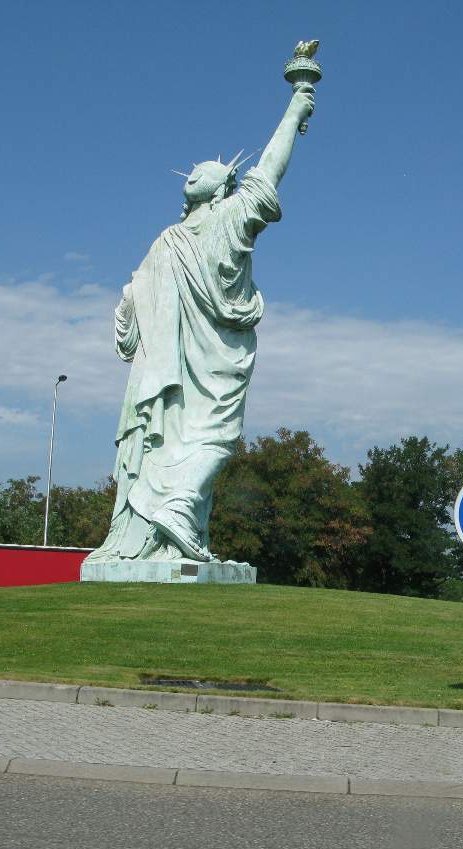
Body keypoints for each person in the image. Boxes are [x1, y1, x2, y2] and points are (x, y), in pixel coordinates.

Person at [87, 88, 315, 564]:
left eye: (208, 171)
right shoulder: (166, 241)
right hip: (175, 368)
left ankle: (176, 517)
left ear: (219, 188)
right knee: (210, 437)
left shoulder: (230, 217)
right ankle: (173, 513)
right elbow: (132, 312)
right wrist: (131, 301)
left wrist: (295, 107)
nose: (196, 171)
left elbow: (267, 170)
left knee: (209, 438)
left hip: (213, 356)